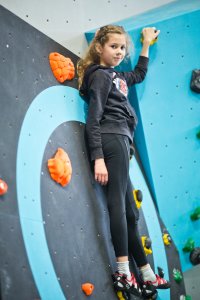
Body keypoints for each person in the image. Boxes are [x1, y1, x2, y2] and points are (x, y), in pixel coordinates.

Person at [77, 25, 170, 297]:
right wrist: (98, 159)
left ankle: (146, 274)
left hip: (121, 142)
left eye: (122, 48)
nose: (119, 52)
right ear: (99, 48)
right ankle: (122, 271)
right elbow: (93, 120)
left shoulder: (117, 76)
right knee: (117, 207)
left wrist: (145, 45)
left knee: (130, 213)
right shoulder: (102, 77)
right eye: (113, 47)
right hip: (112, 139)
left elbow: (139, 74)